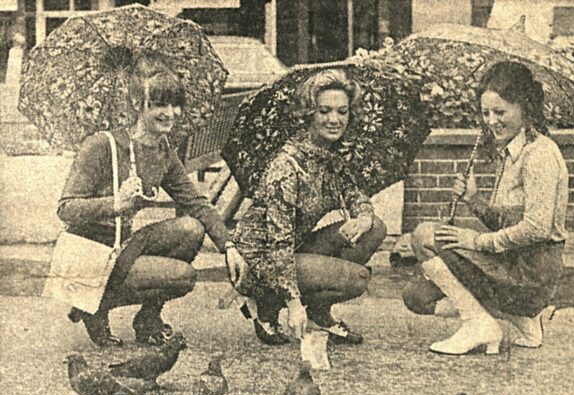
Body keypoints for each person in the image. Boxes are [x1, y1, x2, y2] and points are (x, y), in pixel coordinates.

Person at [58, 54, 246, 346]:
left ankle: (147, 318)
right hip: (90, 253)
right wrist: (114, 204)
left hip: (123, 246)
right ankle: (92, 305)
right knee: (182, 276)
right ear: (137, 104)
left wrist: (228, 246)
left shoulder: (161, 150)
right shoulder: (101, 145)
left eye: (175, 104)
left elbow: (196, 203)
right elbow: (66, 209)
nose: (170, 112)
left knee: (191, 229)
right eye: (159, 104)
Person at [403, 61, 569, 355]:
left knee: (424, 235)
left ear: (525, 107)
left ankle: (479, 323)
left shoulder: (540, 154)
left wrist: (476, 241)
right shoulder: (510, 152)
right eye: (485, 113)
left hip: (531, 273)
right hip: (512, 262)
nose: (491, 121)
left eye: (500, 112)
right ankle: (523, 321)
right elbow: (506, 222)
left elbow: (537, 228)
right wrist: (474, 200)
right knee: (416, 295)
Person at [232, 69, 387, 346]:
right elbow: (278, 244)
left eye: (342, 111)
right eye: (324, 111)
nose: (334, 120)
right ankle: (267, 303)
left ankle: (319, 311)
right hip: (260, 262)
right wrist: (293, 304)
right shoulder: (287, 167)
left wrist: (364, 216)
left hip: (295, 246)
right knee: (357, 279)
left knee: (375, 228)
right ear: (309, 114)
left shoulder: (329, 155)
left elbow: (354, 193)